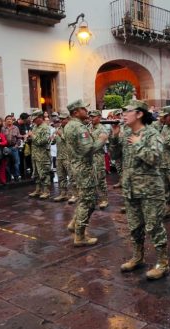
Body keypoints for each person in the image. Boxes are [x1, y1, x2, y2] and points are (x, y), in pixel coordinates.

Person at [109, 100, 169, 280]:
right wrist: (114, 137)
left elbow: (156, 159)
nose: (123, 115)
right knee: (135, 227)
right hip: (131, 189)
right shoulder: (126, 132)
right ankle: (138, 257)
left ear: (139, 114)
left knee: (154, 226)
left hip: (150, 190)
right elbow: (114, 157)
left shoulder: (152, 134)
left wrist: (138, 144)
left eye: (127, 111)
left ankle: (162, 263)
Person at [64, 99, 108, 246]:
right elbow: (87, 149)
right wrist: (102, 139)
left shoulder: (70, 125)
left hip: (78, 167)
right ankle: (80, 236)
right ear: (76, 112)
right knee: (87, 201)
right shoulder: (79, 127)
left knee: (88, 198)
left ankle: (74, 223)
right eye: (84, 109)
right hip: (84, 168)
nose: (87, 111)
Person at [25, 110, 52, 199]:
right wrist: (28, 138)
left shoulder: (45, 128)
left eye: (35, 119)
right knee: (36, 172)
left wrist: (32, 136)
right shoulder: (35, 127)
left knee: (44, 173)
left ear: (40, 118)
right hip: (35, 154)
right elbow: (34, 140)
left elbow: (42, 141)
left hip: (43, 154)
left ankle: (46, 191)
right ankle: (38, 189)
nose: (33, 121)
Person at [87, 110, 109, 208]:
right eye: (90, 116)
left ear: (99, 117)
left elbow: (98, 145)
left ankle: (104, 199)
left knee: (100, 179)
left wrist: (85, 147)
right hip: (88, 158)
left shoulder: (102, 129)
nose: (91, 118)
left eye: (94, 116)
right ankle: (94, 198)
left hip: (98, 157)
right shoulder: (88, 128)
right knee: (90, 178)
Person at [53, 111, 74, 202]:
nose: (61, 120)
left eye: (63, 119)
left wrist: (60, 134)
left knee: (72, 176)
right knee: (61, 176)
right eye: (60, 119)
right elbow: (55, 142)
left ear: (68, 119)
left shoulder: (71, 128)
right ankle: (63, 194)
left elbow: (70, 140)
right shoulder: (59, 128)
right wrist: (53, 138)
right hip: (59, 156)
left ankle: (74, 194)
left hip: (68, 156)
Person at [2, 115, 21, 181]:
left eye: (10, 119)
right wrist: (4, 146)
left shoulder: (16, 128)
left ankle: (17, 175)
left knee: (16, 162)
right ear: (5, 121)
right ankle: (10, 176)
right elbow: (1, 138)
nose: (9, 120)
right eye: (7, 119)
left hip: (14, 147)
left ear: (12, 121)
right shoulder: (3, 128)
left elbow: (19, 138)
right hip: (6, 148)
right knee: (7, 163)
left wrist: (17, 145)